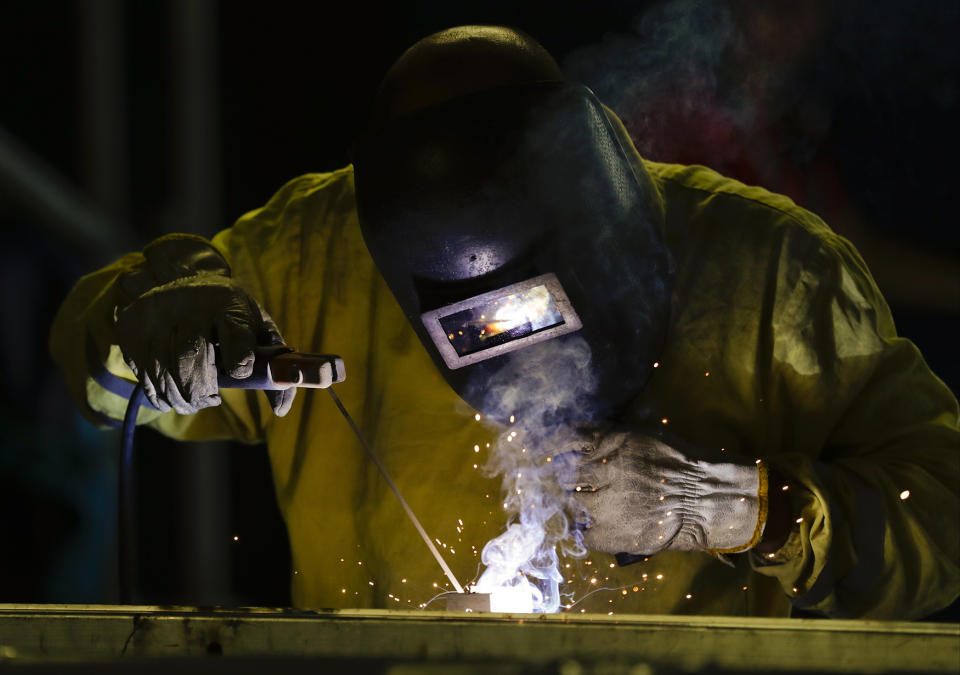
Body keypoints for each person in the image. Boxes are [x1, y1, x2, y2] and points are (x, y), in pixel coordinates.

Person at [50, 26, 959, 619]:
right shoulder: (314, 257)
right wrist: (145, 322)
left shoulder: (773, 275)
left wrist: (731, 508)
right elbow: (100, 365)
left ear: (612, 220)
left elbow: (946, 522)